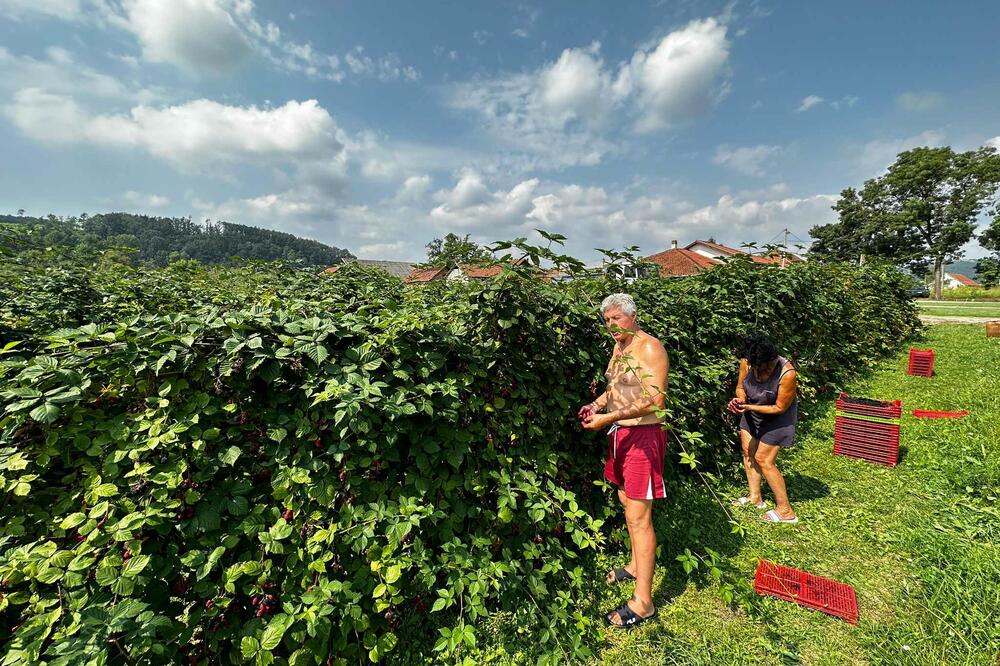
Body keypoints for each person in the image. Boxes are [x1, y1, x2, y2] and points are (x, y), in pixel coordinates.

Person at [579, 293, 669, 629]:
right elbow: (616, 386)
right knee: (622, 497)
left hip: (643, 438)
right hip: (619, 434)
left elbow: (656, 400)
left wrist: (610, 417)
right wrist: (597, 406)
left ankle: (644, 602)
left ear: (633, 316)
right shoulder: (620, 348)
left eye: (617, 318)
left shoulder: (649, 348)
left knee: (639, 517)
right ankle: (634, 564)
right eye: (607, 320)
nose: (612, 325)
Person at [726, 332, 799, 523]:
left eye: (759, 365)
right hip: (752, 414)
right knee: (748, 452)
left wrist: (748, 406)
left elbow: (780, 407)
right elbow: (741, 387)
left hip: (778, 418)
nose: (755, 370)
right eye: (752, 365)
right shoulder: (747, 362)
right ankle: (755, 498)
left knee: (764, 459)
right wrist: (740, 400)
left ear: (770, 359)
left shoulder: (787, 373)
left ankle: (786, 511)